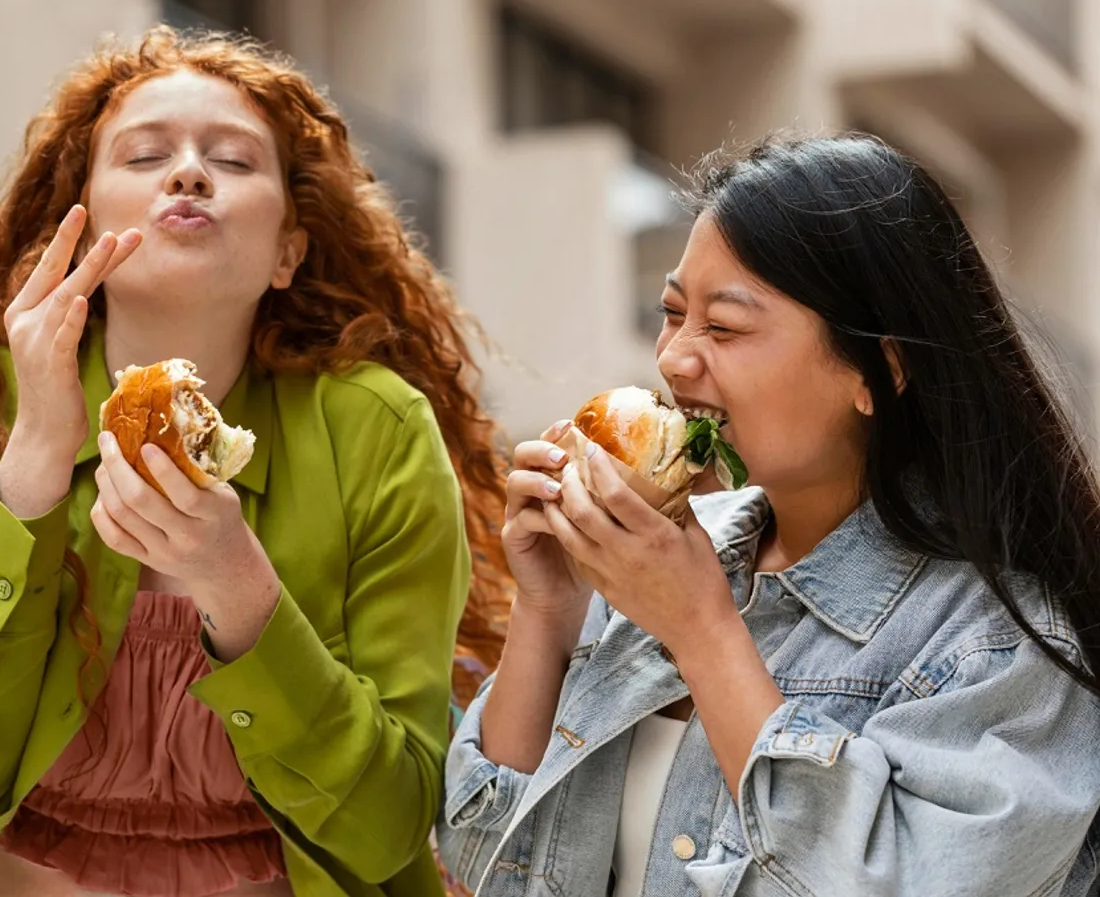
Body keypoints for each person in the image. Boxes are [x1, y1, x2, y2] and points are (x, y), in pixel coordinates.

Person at [0, 26, 510, 897]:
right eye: (145, 155)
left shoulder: (378, 428)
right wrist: (34, 460)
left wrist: (236, 587)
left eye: (233, 160)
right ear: (79, 226)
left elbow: (385, 831)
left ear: (287, 253)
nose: (188, 173)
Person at [437, 133, 1100, 896]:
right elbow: (485, 863)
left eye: (724, 327)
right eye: (673, 312)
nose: (674, 358)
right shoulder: (664, 558)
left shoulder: (995, 645)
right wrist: (551, 609)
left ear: (878, 371)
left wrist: (703, 630)